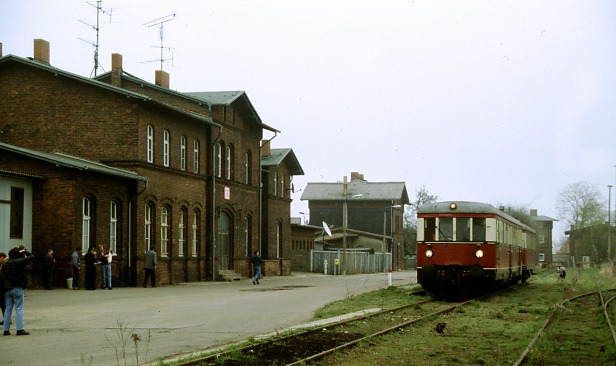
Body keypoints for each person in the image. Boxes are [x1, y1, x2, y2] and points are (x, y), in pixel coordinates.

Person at [2, 246, 35, 336]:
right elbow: (31, 257)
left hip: (7, 289)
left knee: (8, 309)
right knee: (18, 309)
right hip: (18, 288)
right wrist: (25, 251)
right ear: (18, 254)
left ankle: (6, 329)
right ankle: (19, 329)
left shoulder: (4, 265)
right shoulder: (19, 262)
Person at [0, 252, 7, 326]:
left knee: (3, 304)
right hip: (3, 288)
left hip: (2, 288)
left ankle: (6, 319)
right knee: (3, 305)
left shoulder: (4, 265)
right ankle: (7, 319)